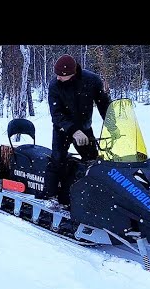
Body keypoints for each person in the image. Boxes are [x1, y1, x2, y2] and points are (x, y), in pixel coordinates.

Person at [43, 54, 114, 210]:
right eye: (57, 75)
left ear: (73, 73)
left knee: (92, 161)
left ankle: (90, 194)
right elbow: (56, 114)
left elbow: (104, 104)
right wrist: (73, 131)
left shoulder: (91, 80)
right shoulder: (55, 85)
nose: (58, 78)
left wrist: (113, 125)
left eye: (62, 75)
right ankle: (50, 196)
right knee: (58, 159)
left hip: (84, 127)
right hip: (62, 128)